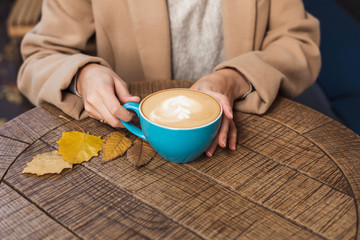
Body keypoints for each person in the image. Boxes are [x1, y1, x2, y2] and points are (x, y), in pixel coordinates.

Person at [17, 0, 321, 157]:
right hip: (131, 150)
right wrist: (84, 75)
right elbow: (40, 56)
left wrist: (235, 78)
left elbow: (299, 42)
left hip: (243, 132)